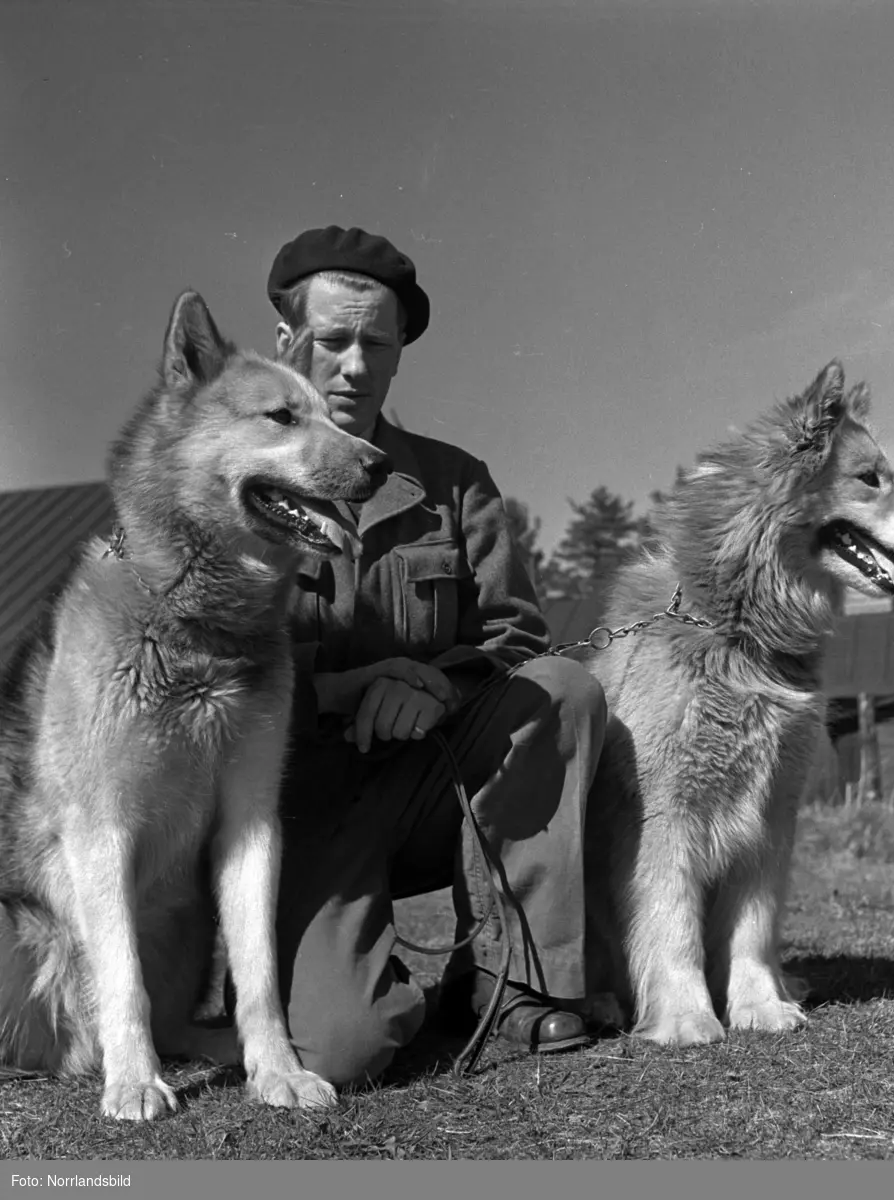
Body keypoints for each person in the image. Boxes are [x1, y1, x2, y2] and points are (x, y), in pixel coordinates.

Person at [265, 225, 606, 1086]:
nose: (352, 365)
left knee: (560, 691)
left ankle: (510, 982)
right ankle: (334, 981)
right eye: (331, 340)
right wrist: (342, 689)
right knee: (345, 1052)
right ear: (286, 343)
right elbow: (208, 661)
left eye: (375, 344)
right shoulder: (241, 484)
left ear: (398, 356)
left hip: (425, 788)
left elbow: (519, 639)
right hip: (290, 813)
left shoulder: (454, 483)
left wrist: (438, 687)